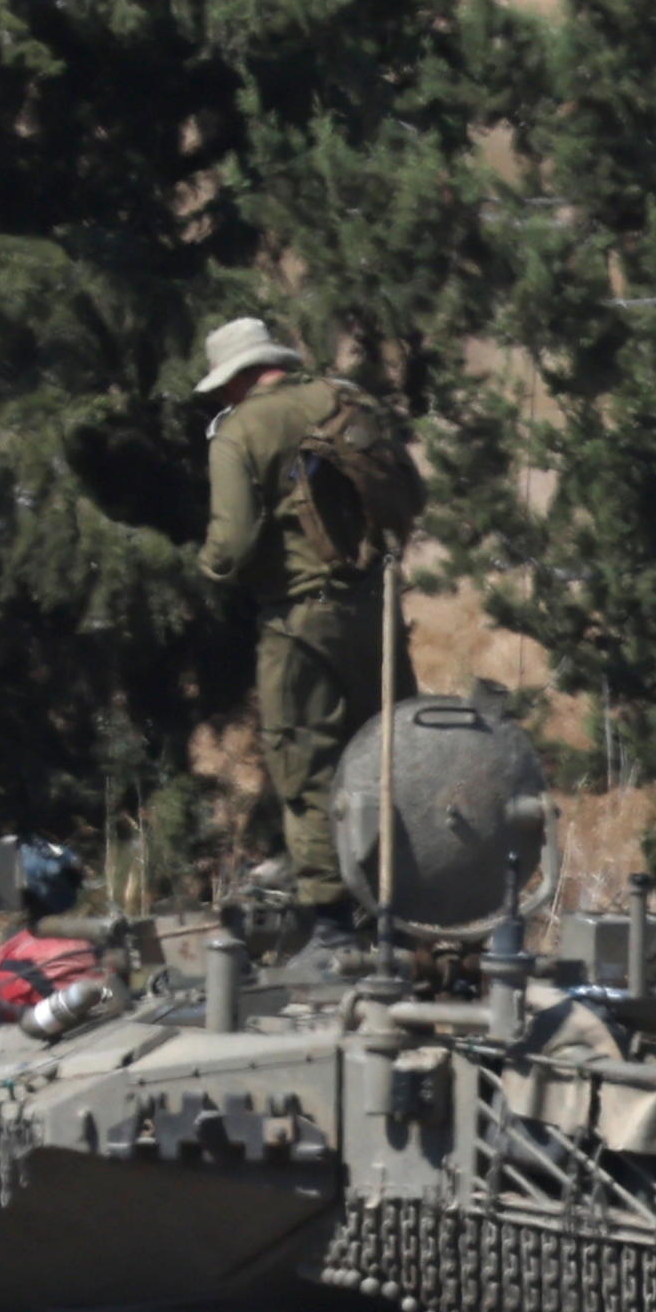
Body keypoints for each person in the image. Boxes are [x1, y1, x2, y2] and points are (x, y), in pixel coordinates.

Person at [192, 316, 417, 950]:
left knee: (307, 764)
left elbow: (230, 547)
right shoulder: (350, 401)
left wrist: (206, 568)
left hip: (299, 623)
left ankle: (331, 922)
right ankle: (399, 908)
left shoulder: (241, 431)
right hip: (378, 611)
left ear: (234, 380)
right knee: (387, 756)